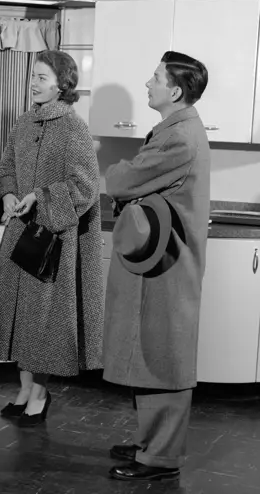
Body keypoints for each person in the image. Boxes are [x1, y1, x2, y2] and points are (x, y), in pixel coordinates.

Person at [0, 50, 104, 426]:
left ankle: (39, 393)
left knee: (42, 323)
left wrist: (42, 197)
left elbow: (86, 186)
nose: (34, 83)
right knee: (18, 319)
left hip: (53, 241)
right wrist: (9, 194)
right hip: (20, 233)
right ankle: (23, 388)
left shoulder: (74, 128)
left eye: (43, 78)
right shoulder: (23, 121)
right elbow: (7, 170)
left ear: (63, 85)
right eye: (33, 76)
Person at [103, 51, 210, 482]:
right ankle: (151, 443)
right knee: (150, 350)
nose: (147, 83)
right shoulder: (178, 129)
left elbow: (121, 180)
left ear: (175, 90)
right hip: (163, 262)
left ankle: (160, 457)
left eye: (155, 77)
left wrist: (118, 173)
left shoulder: (179, 137)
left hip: (168, 266)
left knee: (164, 354)